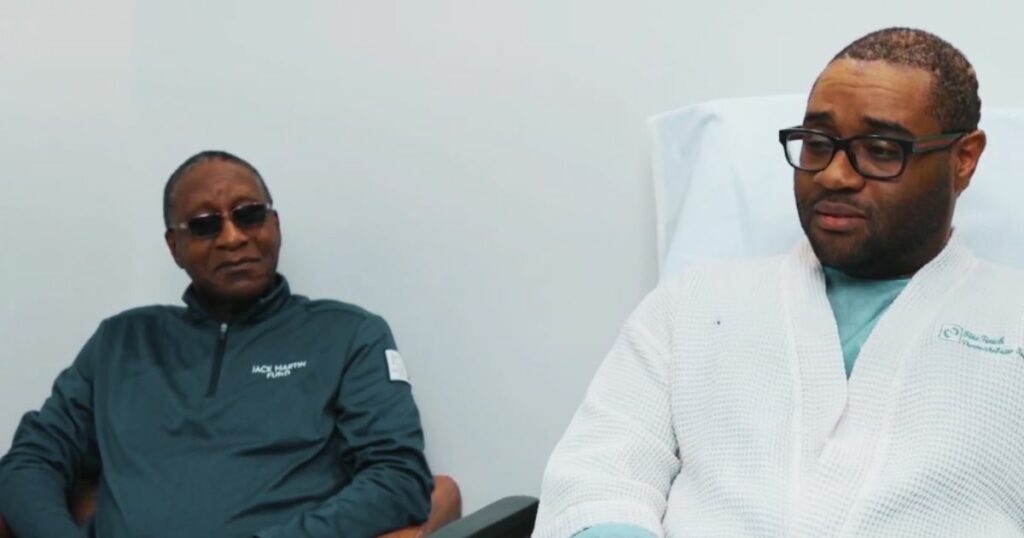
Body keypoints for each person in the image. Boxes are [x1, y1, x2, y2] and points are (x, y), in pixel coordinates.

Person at [534, 27, 1024, 537]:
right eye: (817, 144)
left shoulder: (1014, 317)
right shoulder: (692, 305)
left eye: (880, 150)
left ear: (964, 158)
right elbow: (598, 478)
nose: (833, 175)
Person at [0, 151, 433, 537]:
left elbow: (398, 478)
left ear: (275, 225)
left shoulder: (347, 335)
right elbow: (30, 461)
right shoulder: (121, 342)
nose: (232, 238)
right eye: (205, 225)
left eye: (249, 215)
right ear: (175, 247)